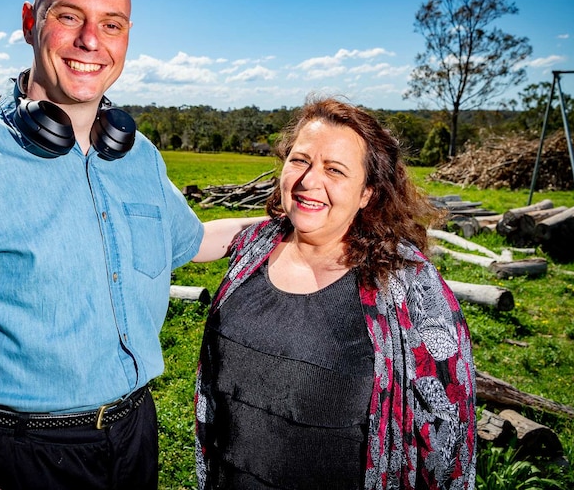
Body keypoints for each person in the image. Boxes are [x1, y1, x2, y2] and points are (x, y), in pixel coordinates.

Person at [0, 0, 258, 490]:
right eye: (69, 16)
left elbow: (195, 240)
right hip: (20, 450)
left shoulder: (139, 156)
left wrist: (293, 222)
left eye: (111, 24)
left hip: (135, 433)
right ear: (28, 22)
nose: (92, 41)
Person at [195, 96, 477, 489]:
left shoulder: (408, 285)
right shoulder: (255, 246)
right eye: (300, 160)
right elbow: (183, 239)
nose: (310, 180)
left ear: (368, 193)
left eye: (335, 170)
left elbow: (448, 430)